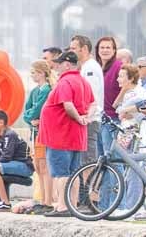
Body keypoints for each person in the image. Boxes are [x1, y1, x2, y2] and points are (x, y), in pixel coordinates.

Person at [38, 50, 94, 217]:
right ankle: (73, 205)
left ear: (67, 64)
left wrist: (78, 117)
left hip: (60, 135)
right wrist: (85, 118)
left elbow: (68, 105)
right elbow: (93, 103)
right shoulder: (83, 81)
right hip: (76, 135)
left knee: (61, 173)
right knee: (74, 172)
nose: (56, 66)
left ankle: (62, 206)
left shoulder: (65, 82)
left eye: (59, 63)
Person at [69, 34, 104, 164]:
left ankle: (90, 185)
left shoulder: (90, 68)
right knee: (83, 160)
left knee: (87, 161)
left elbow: (91, 97)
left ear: (83, 49)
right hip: (86, 119)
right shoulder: (85, 66)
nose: (71, 52)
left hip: (89, 120)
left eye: (73, 48)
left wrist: (85, 117)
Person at [23, 59, 52, 205]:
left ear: (41, 73)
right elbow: (27, 111)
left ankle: (47, 200)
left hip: (43, 132)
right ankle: (43, 199)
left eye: (34, 73)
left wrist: (30, 116)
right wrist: (30, 119)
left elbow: (36, 109)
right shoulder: (35, 91)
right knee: (38, 167)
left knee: (43, 166)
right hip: (35, 131)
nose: (32, 76)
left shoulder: (47, 90)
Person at [94, 35, 123, 156]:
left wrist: (117, 104)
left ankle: (118, 176)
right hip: (98, 118)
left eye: (108, 48)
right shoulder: (97, 68)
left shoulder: (118, 67)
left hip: (112, 119)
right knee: (102, 159)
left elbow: (128, 87)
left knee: (112, 158)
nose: (105, 50)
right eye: (102, 47)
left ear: (114, 50)